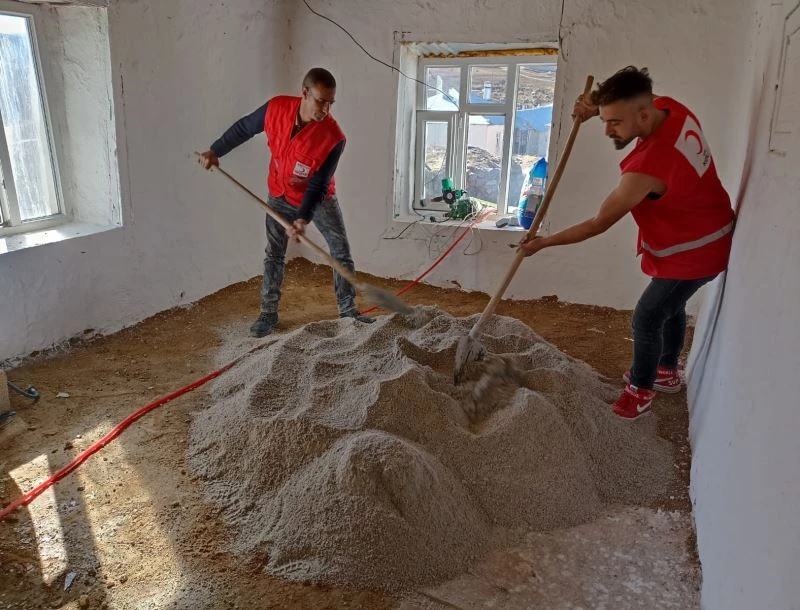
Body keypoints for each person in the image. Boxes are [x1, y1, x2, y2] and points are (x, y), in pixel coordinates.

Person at [519, 66, 735, 419]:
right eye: (604, 120)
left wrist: (543, 243)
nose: (607, 130)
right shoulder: (670, 109)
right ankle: (665, 370)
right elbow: (630, 85)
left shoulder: (647, 166)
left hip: (696, 252)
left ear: (643, 115)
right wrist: (594, 107)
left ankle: (641, 389)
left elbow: (598, 223)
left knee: (647, 318)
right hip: (707, 230)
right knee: (670, 306)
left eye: (614, 122)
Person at [198, 67, 373, 337]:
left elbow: (319, 183)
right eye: (320, 101)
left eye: (330, 103)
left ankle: (347, 311)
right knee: (274, 253)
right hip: (279, 193)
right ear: (304, 93)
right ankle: (268, 314)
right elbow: (244, 128)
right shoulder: (276, 108)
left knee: (340, 251)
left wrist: (303, 217)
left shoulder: (334, 138)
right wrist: (215, 150)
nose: (326, 109)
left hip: (319, 200)